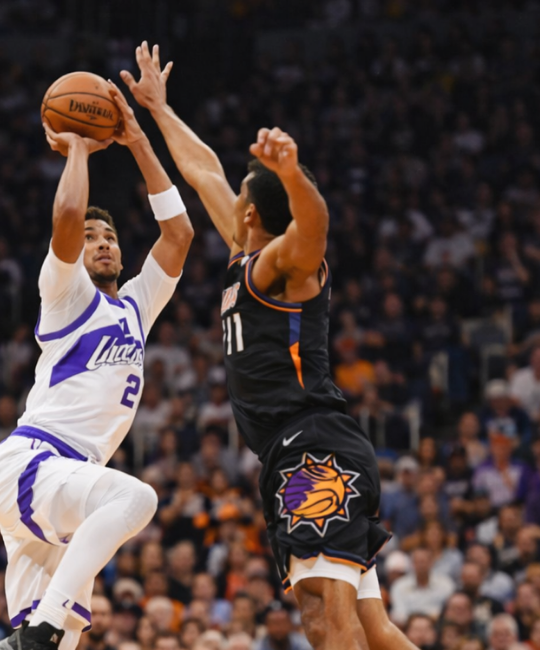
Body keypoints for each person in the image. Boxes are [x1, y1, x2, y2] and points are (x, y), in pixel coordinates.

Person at [123, 42, 413, 650]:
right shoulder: (243, 249)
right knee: (368, 626)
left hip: (313, 446)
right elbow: (201, 168)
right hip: (295, 450)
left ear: (250, 211)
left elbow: (316, 230)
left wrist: (290, 173)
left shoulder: (283, 264)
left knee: (326, 619)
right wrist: (158, 109)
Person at [0, 66, 192, 650]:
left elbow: (177, 236)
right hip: (36, 461)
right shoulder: (66, 292)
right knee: (135, 497)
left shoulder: (135, 307)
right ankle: (40, 630)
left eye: (112, 238)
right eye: (95, 237)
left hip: (68, 483)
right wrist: (77, 148)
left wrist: (137, 140)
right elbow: (68, 221)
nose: (103, 242)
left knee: (63, 645)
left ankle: (39, 632)